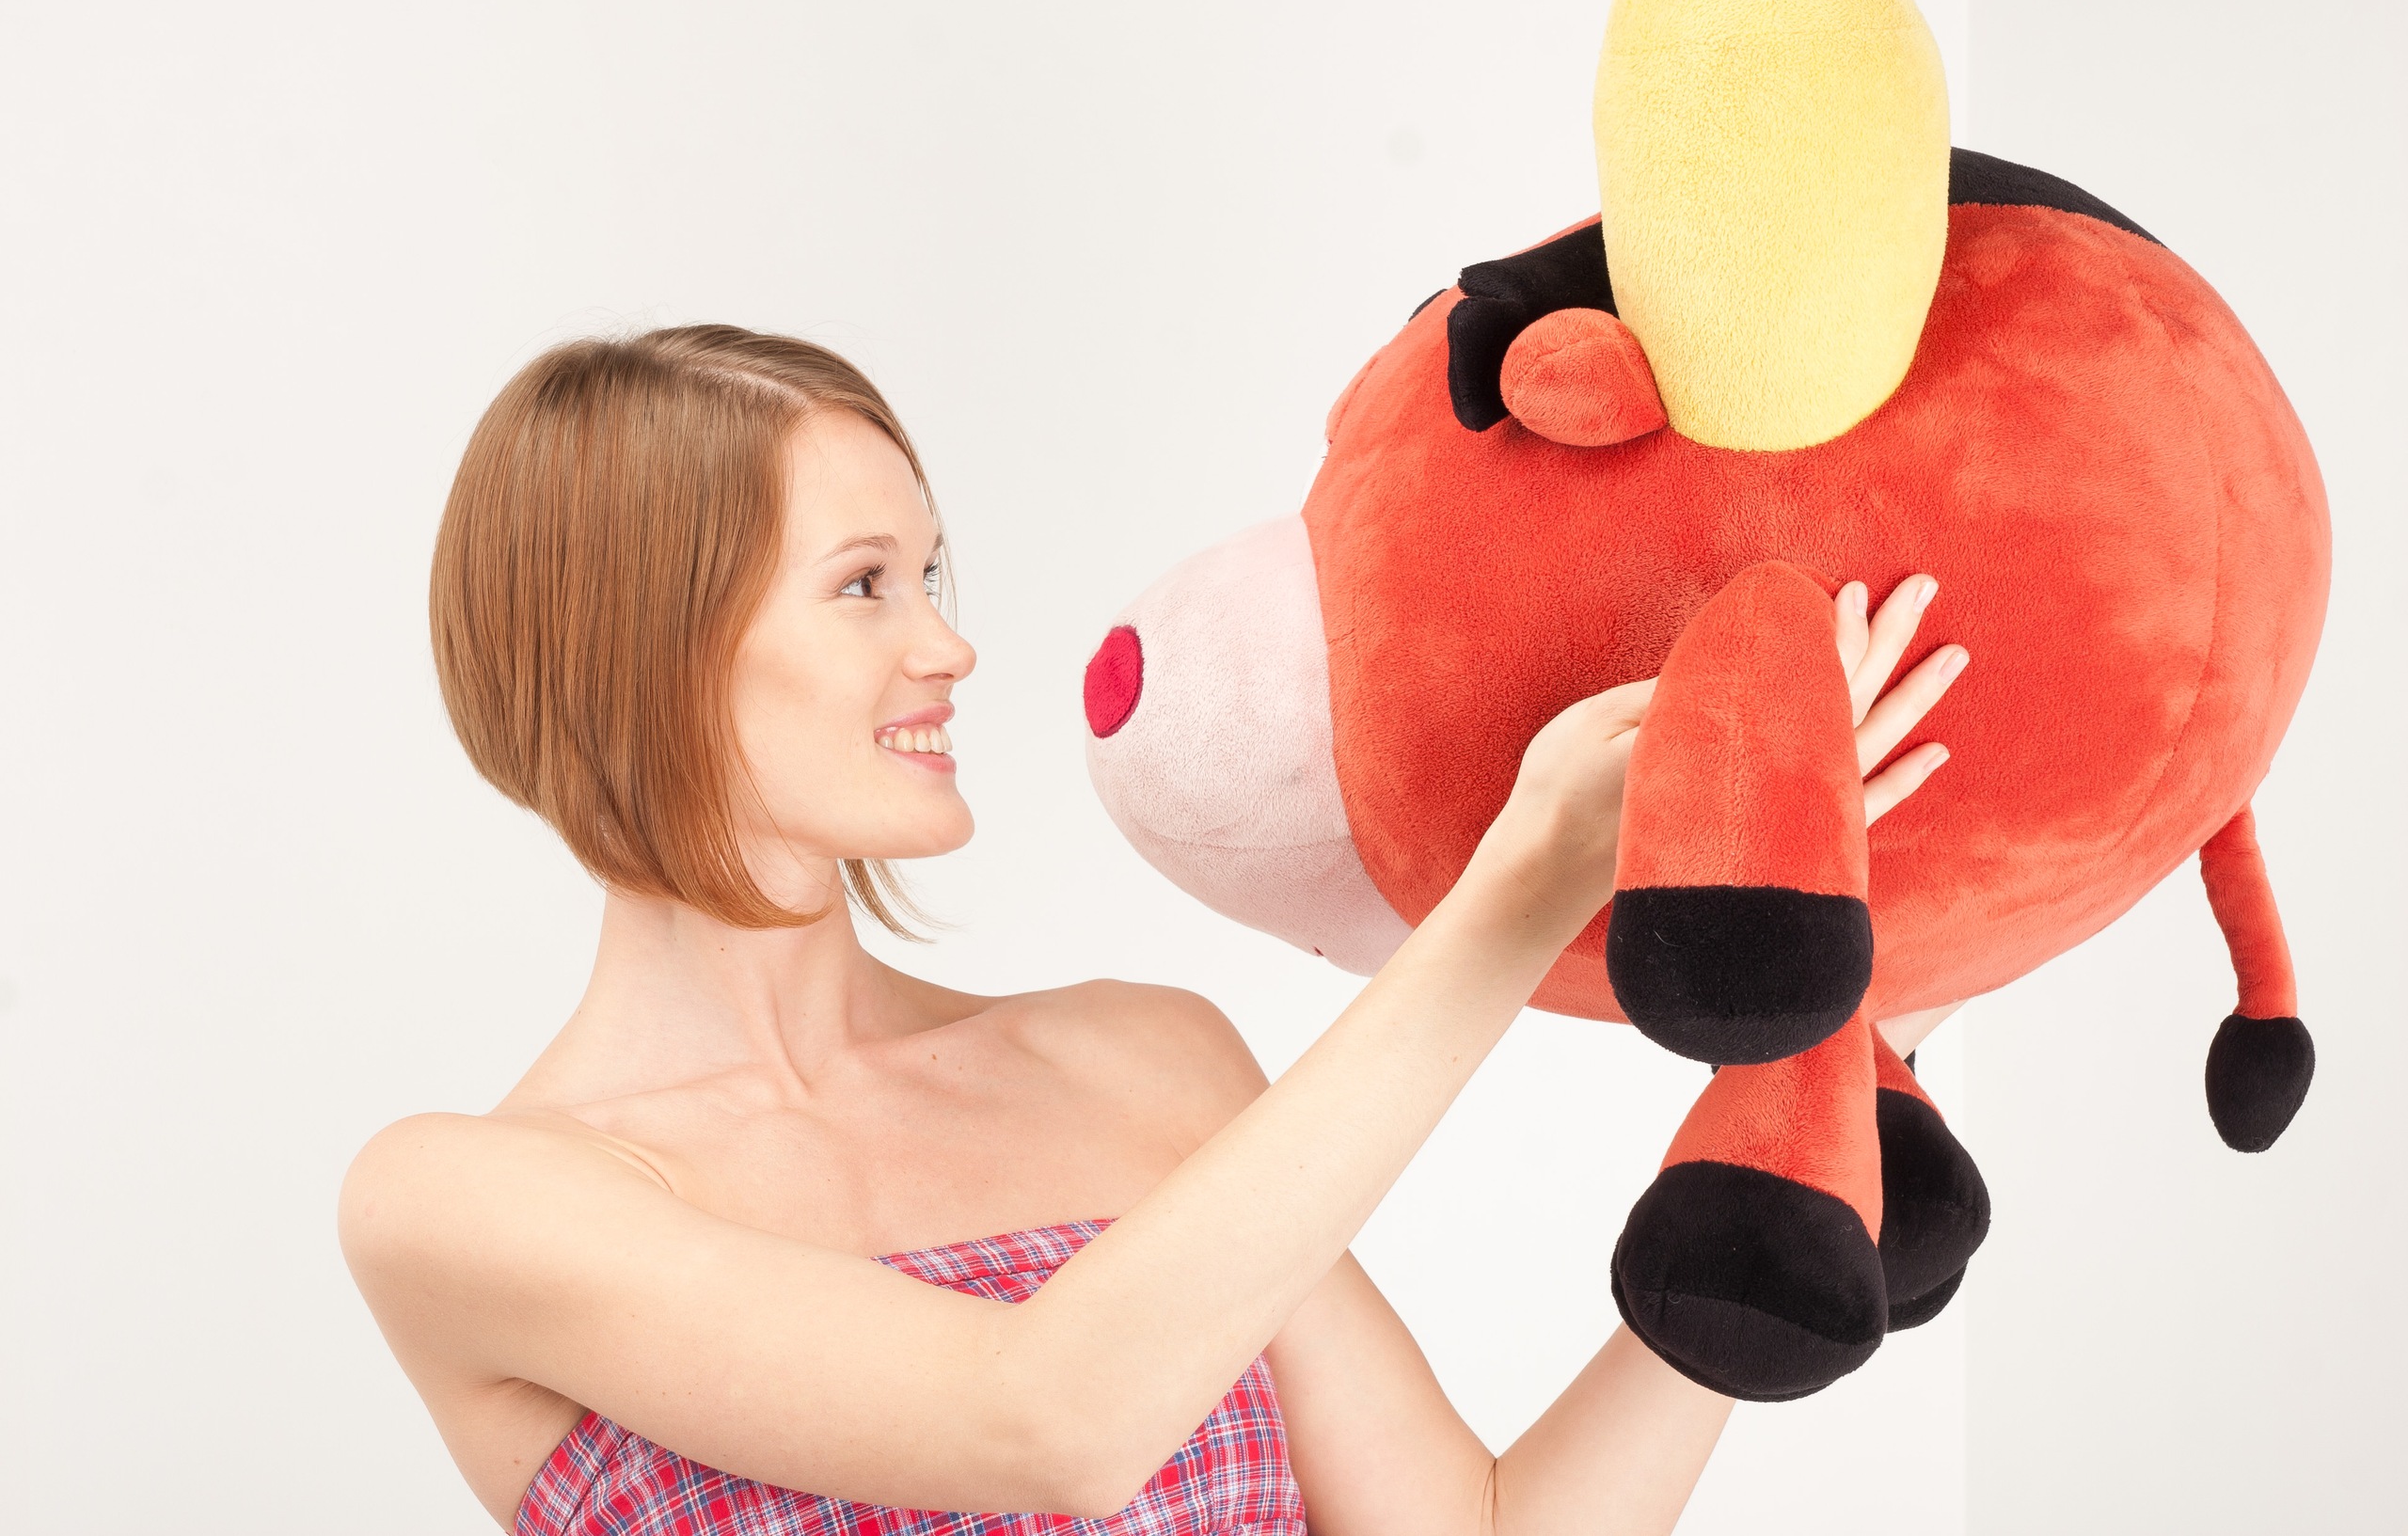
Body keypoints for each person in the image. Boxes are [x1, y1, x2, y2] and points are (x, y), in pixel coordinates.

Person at [341, 325, 1969, 1536]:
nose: (949, 647)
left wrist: (1788, 1133)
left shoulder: (1140, 1056)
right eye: (862, 586)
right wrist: (1523, 885)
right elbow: (1042, 1423)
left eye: (930, 576)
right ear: (645, 648)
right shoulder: (467, 1206)